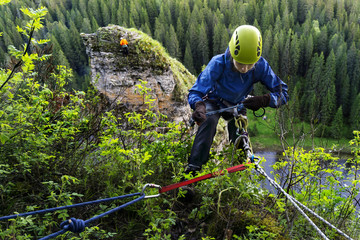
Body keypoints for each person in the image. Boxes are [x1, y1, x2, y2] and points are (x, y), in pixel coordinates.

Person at [186, 25, 289, 174]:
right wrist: (199, 106)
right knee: (208, 120)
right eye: (240, 63)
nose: (245, 68)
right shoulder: (218, 63)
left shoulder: (260, 66)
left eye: (250, 64)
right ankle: (193, 169)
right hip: (214, 101)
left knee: (241, 138)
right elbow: (196, 91)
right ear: (232, 54)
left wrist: (265, 100)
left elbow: (283, 93)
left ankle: (238, 171)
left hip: (239, 104)